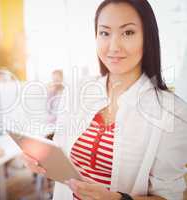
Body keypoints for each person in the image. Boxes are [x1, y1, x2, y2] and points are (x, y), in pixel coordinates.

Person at [23, 0, 187, 200]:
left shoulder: (172, 112)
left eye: (128, 33)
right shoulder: (77, 91)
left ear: (148, 37)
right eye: (105, 33)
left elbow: (170, 196)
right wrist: (41, 160)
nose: (113, 47)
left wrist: (118, 199)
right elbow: (61, 155)